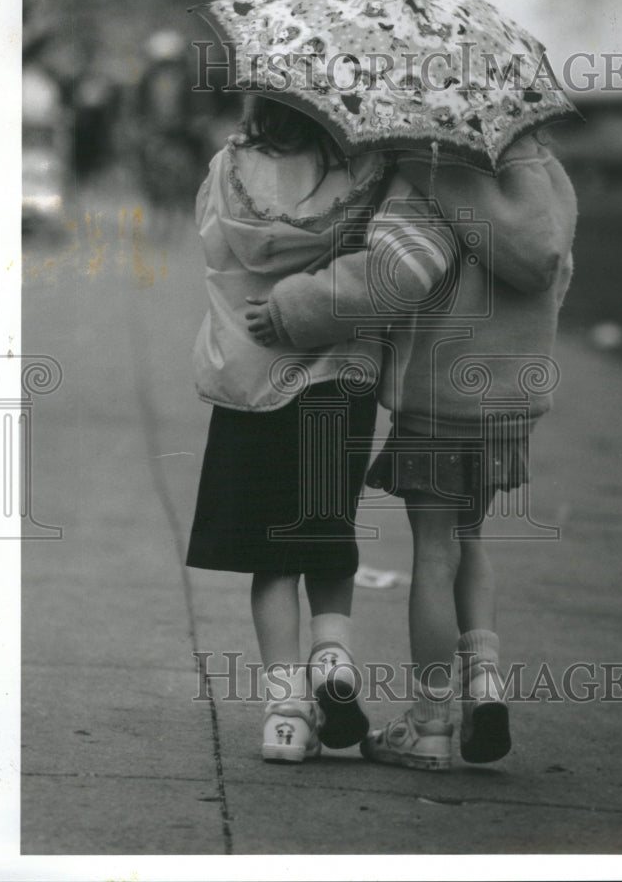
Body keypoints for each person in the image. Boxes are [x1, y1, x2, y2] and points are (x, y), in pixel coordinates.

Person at [246, 132, 577, 770]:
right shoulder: (544, 171)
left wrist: (294, 307)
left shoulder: (433, 168)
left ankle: (429, 724)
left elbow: (390, 279)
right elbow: (553, 268)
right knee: (469, 543)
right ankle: (485, 686)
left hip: (440, 395)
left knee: (433, 554)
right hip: (510, 399)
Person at [188, 94, 435, 763]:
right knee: (326, 532)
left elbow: (213, 251)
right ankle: (333, 660)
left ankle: (285, 716)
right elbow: (388, 271)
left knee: (271, 554)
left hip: (251, 379)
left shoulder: (228, 166)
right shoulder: (375, 171)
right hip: (338, 376)